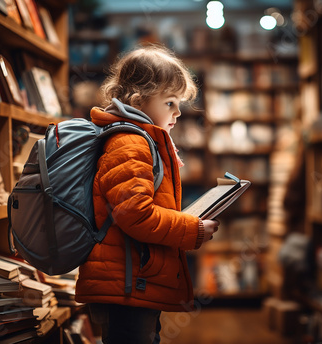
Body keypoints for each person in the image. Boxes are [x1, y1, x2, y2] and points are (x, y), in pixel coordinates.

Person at [75, 44, 219, 344]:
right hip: (127, 287)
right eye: (170, 103)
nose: (178, 113)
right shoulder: (130, 143)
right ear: (139, 100)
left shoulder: (140, 140)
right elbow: (135, 214)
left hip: (134, 280)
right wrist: (191, 229)